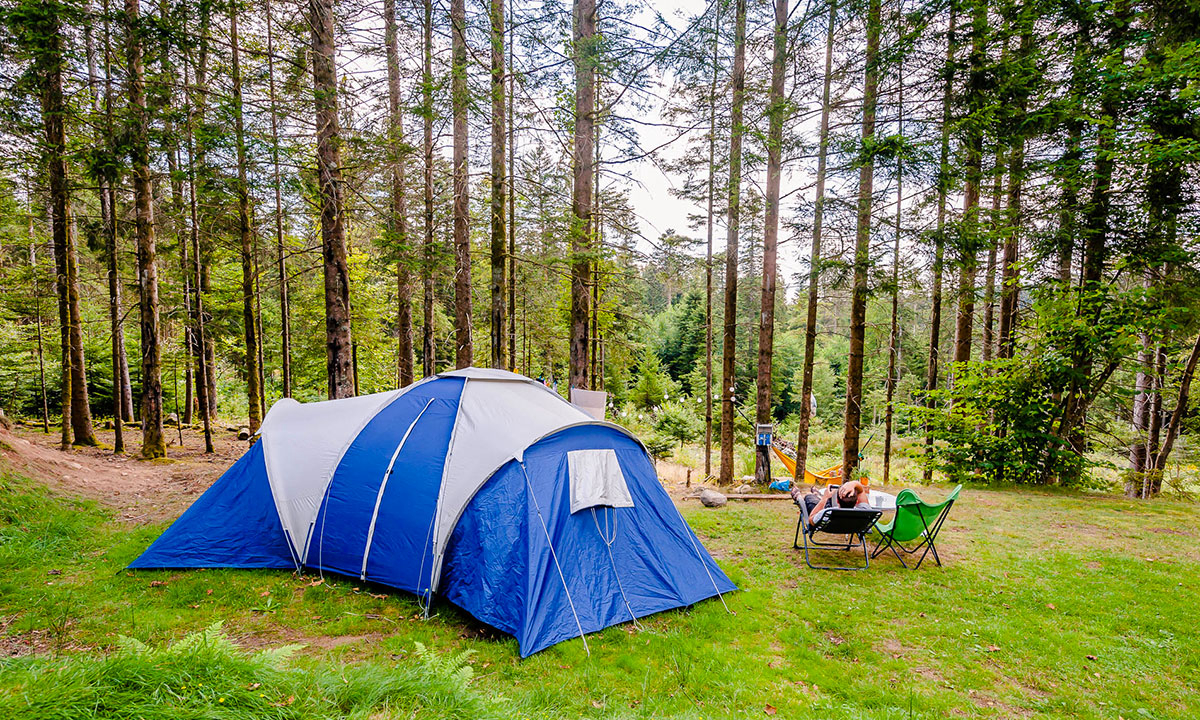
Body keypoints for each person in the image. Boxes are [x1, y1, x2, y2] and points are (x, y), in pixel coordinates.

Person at [796, 479, 869, 525]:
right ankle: (817, 494)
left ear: (837, 501)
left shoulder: (825, 513)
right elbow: (861, 491)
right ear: (857, 501)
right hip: (841, 517)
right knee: (824, 501)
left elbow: (811, 520)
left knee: (809, 497)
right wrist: (853, 483)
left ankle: (814, 494)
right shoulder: (865, 512)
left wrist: (824, 498)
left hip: (828, 513)